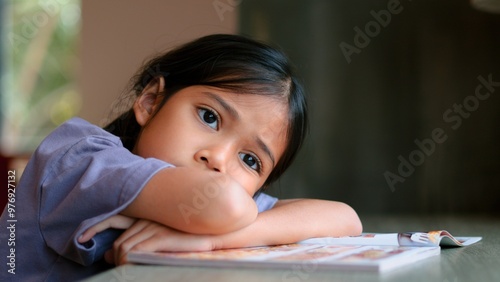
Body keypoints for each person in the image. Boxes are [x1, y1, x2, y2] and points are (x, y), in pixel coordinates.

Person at [0, 34, 362, 281]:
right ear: (151, 101)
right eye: (210, 117)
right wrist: (226, 224)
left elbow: (345, 219)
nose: (218, 159)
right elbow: (225, 203)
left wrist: (210, 240)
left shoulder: (214, 210)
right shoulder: (81, 159)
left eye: (251, 161)